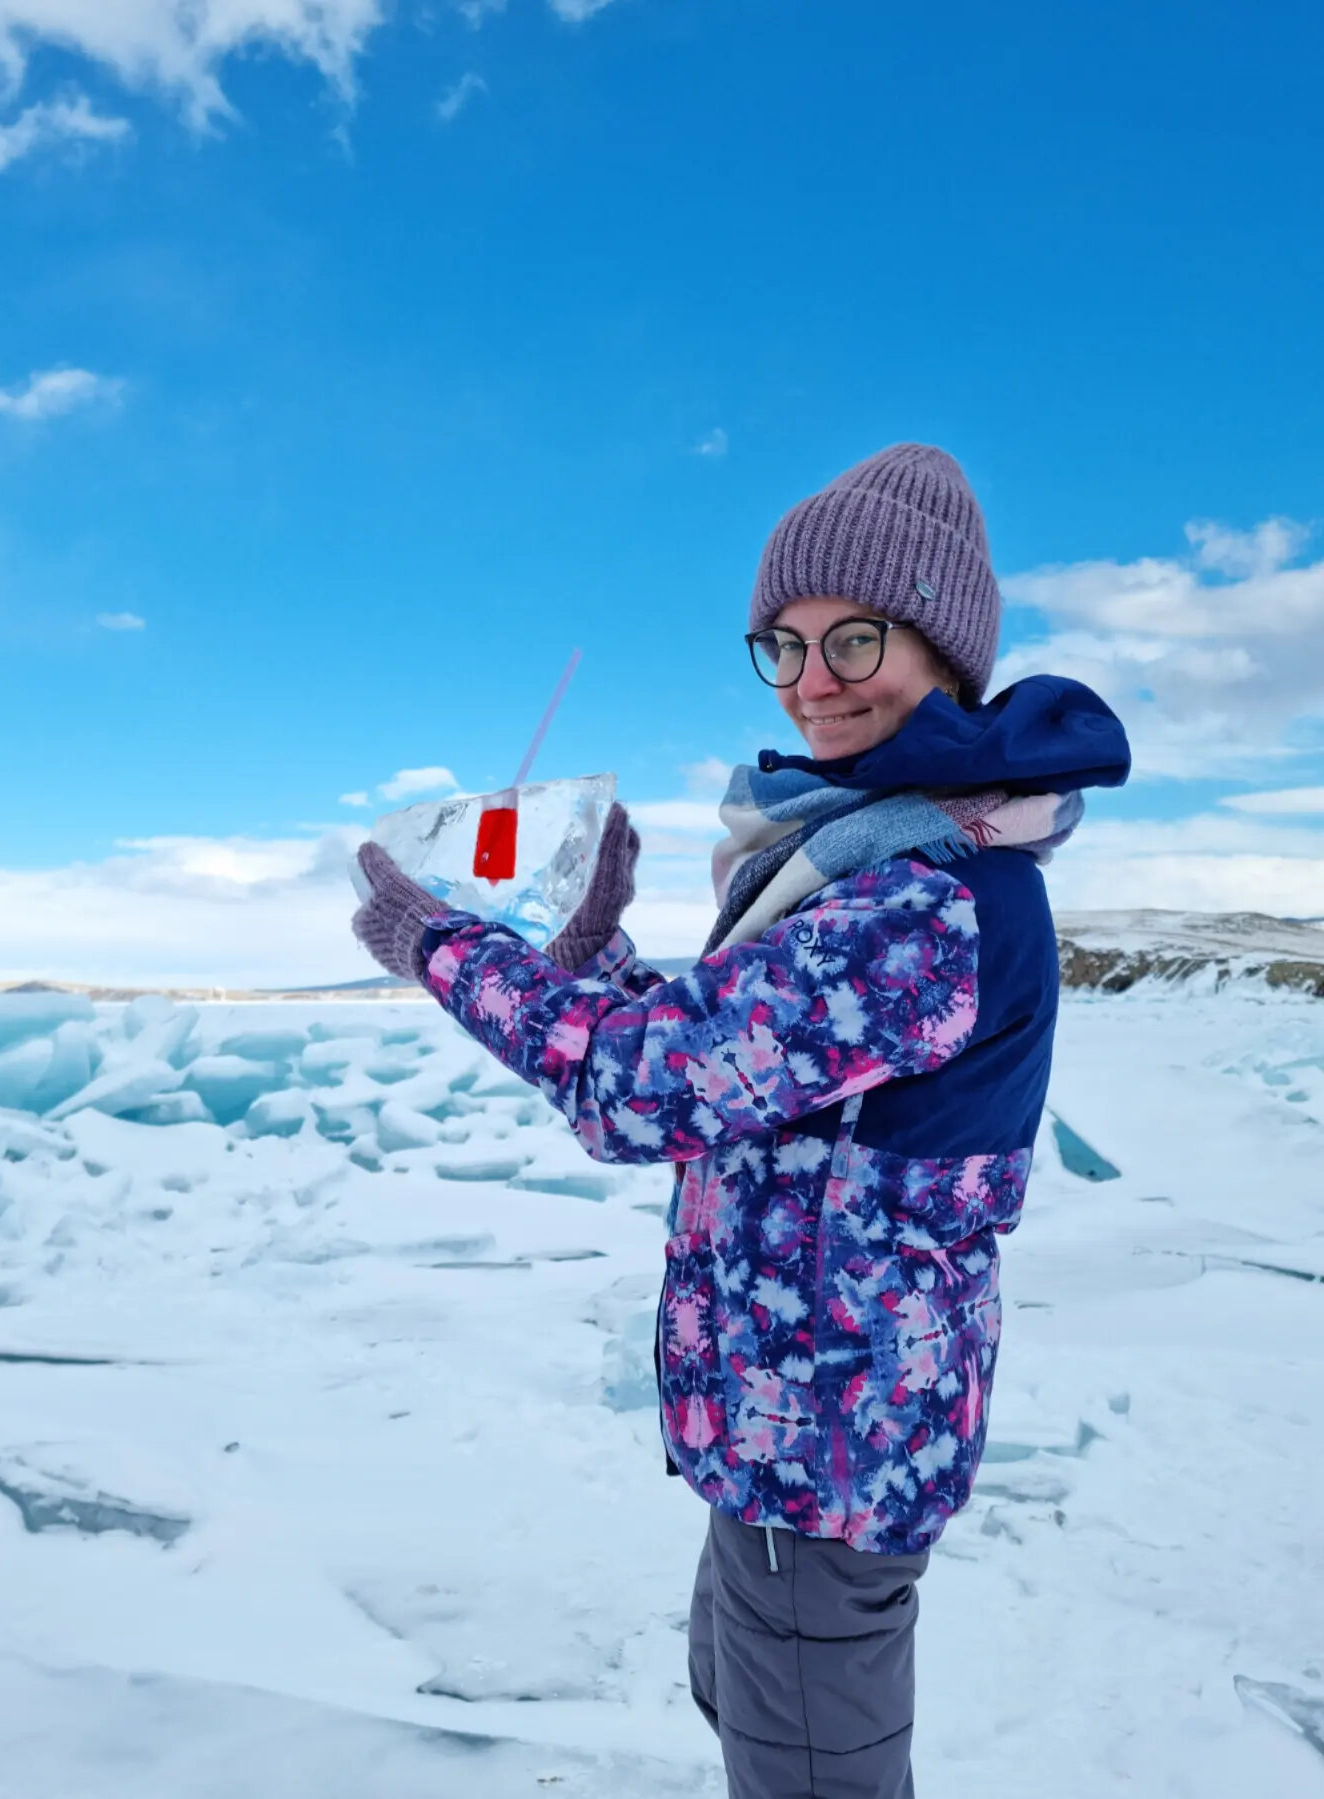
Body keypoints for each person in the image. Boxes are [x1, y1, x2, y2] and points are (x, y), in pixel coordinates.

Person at [351, 443, 1131, 1799]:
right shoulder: (875, 855)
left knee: (809, 1773)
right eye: (784, 644)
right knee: (749, 1701)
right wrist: (591, 947)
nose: (812, 680)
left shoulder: (928, 893)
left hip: (826, 1447)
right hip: (802, 1433)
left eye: (855, 638)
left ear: (943, 649)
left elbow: (648, 1090)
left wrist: (445, 948)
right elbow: (736, 1066)